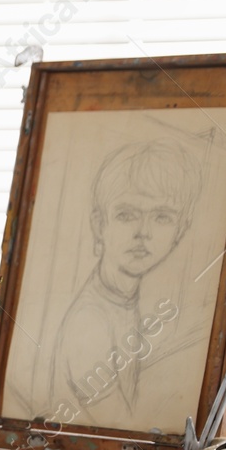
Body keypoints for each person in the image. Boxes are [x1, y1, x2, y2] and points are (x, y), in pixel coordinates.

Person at [43, 139, 200, 424]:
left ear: (180, 231)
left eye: (162, 217)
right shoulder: (88, 322)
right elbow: (124, 431)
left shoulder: (125, 300)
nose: (143, 232)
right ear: (99, 224)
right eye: (127, 215)